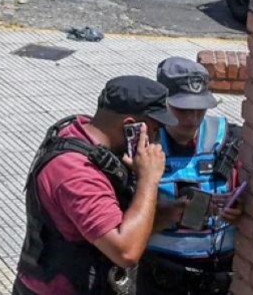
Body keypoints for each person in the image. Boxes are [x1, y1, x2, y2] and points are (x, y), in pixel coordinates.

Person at [14, 75, 171, 295]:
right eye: (153, 131)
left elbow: (112, 225)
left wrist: (170, 214)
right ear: (130, 127)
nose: (155, 140)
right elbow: (125, 252)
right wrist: (148, 180)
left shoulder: (83, 134)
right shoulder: (77, 173)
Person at [137, 58, 244, 295]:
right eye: (182, 110)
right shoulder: (140, 145)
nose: (191, 120)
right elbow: (120, 225)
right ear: (162, 103)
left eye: (200, 110)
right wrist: (172, 212)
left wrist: (240, 213)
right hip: (160, 278)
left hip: (218, 279)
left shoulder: (231, 139)